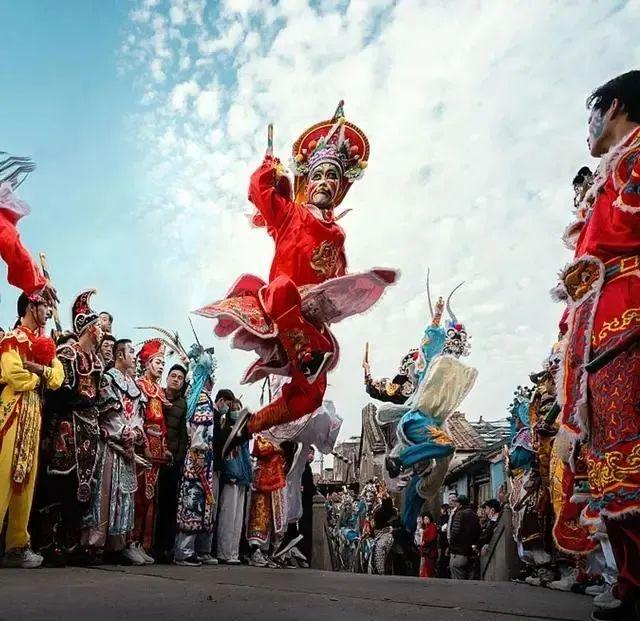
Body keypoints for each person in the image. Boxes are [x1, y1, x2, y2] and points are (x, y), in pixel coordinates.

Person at [195, 102, 397, 452]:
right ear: (307, 179)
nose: (324, 183)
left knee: (312, 398)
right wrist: (267, 170)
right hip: (280, 305)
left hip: (309, 317)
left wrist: (364, 284)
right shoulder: (290, 213)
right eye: (318, 175)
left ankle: (249, 426)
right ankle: (305, 356)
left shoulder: (337, 235)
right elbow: (259, 194)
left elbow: (336, 281)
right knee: (282, 289)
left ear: (341, 186)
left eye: (332, 176)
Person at [554, 71, 640, 621]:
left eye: (592, 114)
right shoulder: (615, 172)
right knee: (612, 457)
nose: (588, 128)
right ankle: (632, 579)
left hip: (629, 314)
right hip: (601, 332)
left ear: (611, 108)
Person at [0, 293, 63, 568]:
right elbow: (14, 374)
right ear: (30, 306)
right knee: (2, 475)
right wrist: (41, 375)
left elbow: (59, 378)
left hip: (33, 415)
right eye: (45, 306)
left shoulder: (46, 346)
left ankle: (16, 545)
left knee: (25, 480)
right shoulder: (12, 339)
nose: (49, 312)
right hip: (12, 412)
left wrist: (37, 370)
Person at [45, 290, 104, 565]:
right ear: (88, 328)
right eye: (98, 326)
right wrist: (80, 400)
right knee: (63, 481)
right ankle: (52, 543)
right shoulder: (68, 353)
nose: (102, 330)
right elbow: (59, 390)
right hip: (70, 425)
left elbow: (99, 397)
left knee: (84, 487)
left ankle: (73, 544)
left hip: (90, 428)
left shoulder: (97, 362)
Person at [82, 339, 146, 564]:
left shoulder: (136, 386)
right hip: (110, 445)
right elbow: (107, 412)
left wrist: (136, 433)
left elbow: (139, 415)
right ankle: (94, 544)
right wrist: (123, 431)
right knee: (104, 492)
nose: (134, 356)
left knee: (124, 496)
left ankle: (117, 545)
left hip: (127, 449)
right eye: (131, 351)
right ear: (119, 355)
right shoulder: (108, 379)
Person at [174, 352, 231, 568]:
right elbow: (200, 430)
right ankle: (185, 550)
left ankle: (193, 549)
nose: (213, 379)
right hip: (199, 458)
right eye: (212, 375)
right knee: (193, 501)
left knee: (198, 501)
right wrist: (198, 452)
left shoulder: (193, 396)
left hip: (199, 457)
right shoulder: (203, 399)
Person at [132, 339, 171, 563]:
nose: (161, 366)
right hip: (143, 443)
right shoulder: (139, 386)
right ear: (147, 363)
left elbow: (162, 424)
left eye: (163, 362)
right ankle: (132, 541)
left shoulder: (158, 390)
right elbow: (138, 417)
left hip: (156, 447)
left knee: (149, 498)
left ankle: (142, 544)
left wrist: (164, 447)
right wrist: (144, 444)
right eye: (158, 362)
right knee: (138, 496)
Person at [154, 363, 188, 563]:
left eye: (180, 378)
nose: (175, 379)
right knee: (151, 504)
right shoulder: (156, 396)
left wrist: (177, 458)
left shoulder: (183, 404)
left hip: (171, 461)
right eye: (173, 375)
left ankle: (165, 549)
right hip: (153, 457)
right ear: (167, 378)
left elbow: (183, 435)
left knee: (168, 505)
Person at [216, 400, 252, 564]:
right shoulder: (227, 429)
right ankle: (224, 551)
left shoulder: (243, 433)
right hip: (231, 476)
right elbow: (227, 455)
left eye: (239, 409)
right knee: (228, 516)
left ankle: (233, 552)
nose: (237, 411)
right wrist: (230, 472)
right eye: (235, 409)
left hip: (243, 478)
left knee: (238, 519)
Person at [246, 435, 287, 568]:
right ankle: (254, 550)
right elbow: (261, 449)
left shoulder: (284, 437)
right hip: (263, 478)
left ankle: (266, 551)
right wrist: (278, 446)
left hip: (277, 480)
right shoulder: (263, 433)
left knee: (273, 517)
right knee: (259, 514)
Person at [448, 495, 480, 580]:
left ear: (460, 504)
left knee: (457, 579)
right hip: (470, 552)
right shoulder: (474, 514)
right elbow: (478, 532)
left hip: (458, 552)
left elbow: (455, 533)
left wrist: (451, 544)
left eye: (457, 502)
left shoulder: (459, 514)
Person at [419, 512, 438, 578]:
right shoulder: (427, 526)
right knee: (426, 568)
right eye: (424, 519)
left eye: (427, 518)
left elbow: (432, 537)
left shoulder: (432, 526)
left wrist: (425, 541)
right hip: (426, 551)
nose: (425, 520)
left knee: (429, 569)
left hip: (430, 551)